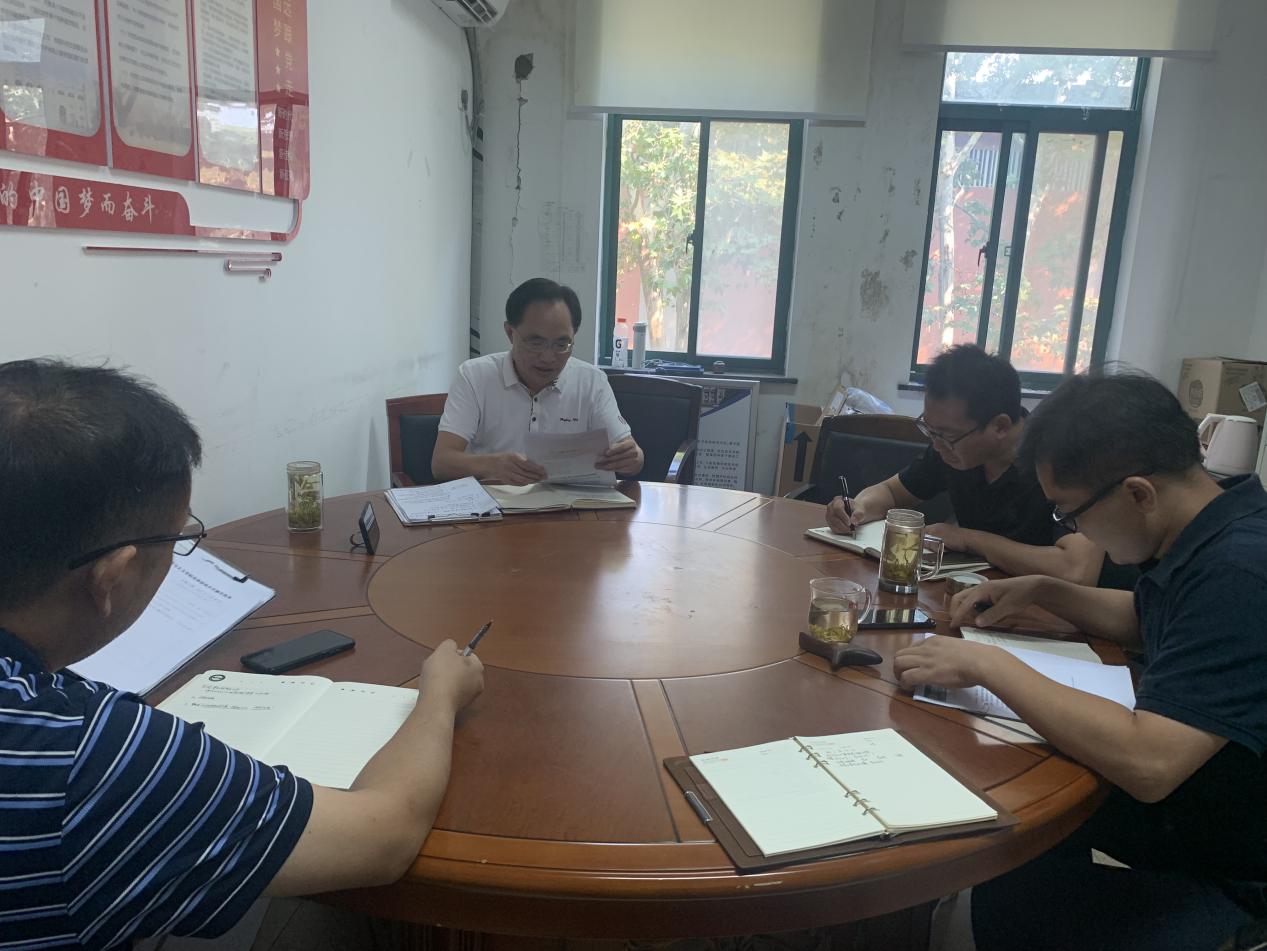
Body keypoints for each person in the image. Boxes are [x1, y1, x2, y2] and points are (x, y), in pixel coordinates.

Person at [0, 359, 485, 949]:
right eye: (178, 539)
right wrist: (440, 696)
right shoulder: (93, 760)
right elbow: (384, 837)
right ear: (111, 578)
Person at [893, 369, 1267, 950]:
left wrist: (990, 665)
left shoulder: (1239, 572)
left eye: (1070, 514)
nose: (1070, 528)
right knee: (1010, 814)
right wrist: (1046, 590)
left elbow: (1149, 763)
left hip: (1232, 869)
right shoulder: (1219, 524)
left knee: (1010, 884)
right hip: (1200, 806)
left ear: (1138, 494)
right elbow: (1152, 616)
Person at [826, 344, 1120, 586]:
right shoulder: (950, 448)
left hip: (1053, 615)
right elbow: (892, 492)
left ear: (1000, 426)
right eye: (929, 429)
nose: (936, 445)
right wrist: (857, 508)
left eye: (946, 436)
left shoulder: (1060, 460)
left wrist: (968, 539)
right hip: (976, 594)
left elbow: (1076, 569)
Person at [433, 277, 644, 484]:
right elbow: (441, 463)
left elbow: (634, 458)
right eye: (536, 343)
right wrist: (494, 465)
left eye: (561, 345)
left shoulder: (592, 382)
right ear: (510, 333)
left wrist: (631, 458)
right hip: (496, 502)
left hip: (572, 503)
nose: (548, 357)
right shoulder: (474, 376)